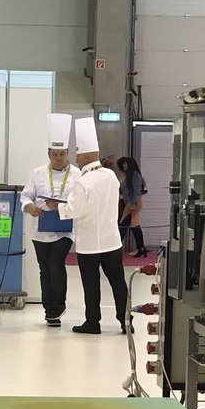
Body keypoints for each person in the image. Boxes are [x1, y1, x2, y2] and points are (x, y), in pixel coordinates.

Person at [57, 118, 130, 335]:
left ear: (86, 157)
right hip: (111, 241)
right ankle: (125, 320)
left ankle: (93, 322)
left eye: (78, 156)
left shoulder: (84, 182)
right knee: (118, 282)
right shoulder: (111, 176)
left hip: (89, 244)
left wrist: (57, 207)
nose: (76, 160)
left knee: (91, 284)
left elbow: (73, 210)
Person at [20, 113, 80, 327]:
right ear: (48, 154)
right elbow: (26, 195)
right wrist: (30, 207)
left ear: (67, 153)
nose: (58, 158)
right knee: (44, 268)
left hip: (64, 229)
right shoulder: (37, 173)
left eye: (62, 154)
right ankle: (49, 309)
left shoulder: (77, 174)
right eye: (54, 154)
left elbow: (80, 201)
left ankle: (59, 304)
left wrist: (61, 206)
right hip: (40, 228)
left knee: (56, 264)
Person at [116, 156, 149, 257]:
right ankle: (141, 248)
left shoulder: (135, 175)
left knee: (124, 223)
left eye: (124, 164)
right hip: (130, 202)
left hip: (132, 202)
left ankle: (116, 247)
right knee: (133, 224)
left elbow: (137, 191)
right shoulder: (130, 175)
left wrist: (133, 204)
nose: (123, 166)